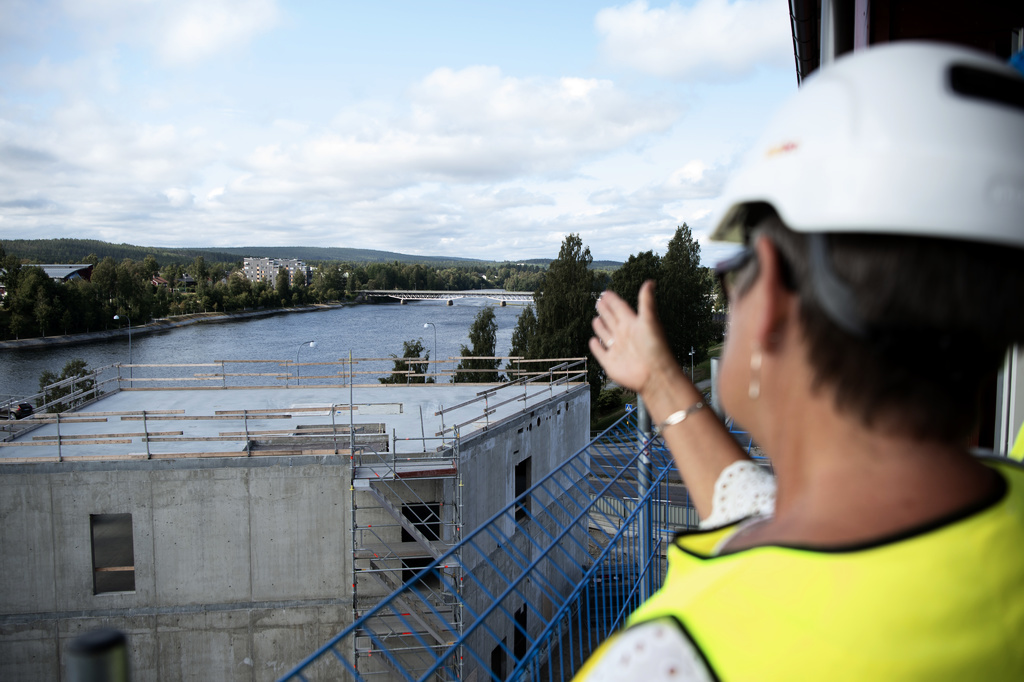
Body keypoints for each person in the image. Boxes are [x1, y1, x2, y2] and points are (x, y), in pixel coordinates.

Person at [575, 42, 1024, 681]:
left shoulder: (672, 661)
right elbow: (765, 513)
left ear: (773, 297)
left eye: (734, 273)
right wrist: (660, 381)